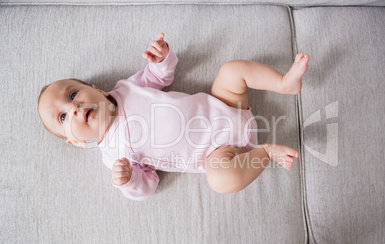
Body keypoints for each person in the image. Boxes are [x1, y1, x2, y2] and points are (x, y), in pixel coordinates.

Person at [38, 33, 309, 200]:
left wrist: (161, 59)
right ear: (75, 142)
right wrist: (130, 181)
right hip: (221, 153)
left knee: (230, 71)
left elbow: (160, 77)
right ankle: (265, 153)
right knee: (221, 181)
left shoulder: (126, 88)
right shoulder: (114, 157)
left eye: (73, 95)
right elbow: (148, 186)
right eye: (62, 118)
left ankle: (284, 82)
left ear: (95, 89)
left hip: (225, 104)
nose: (72, 109)